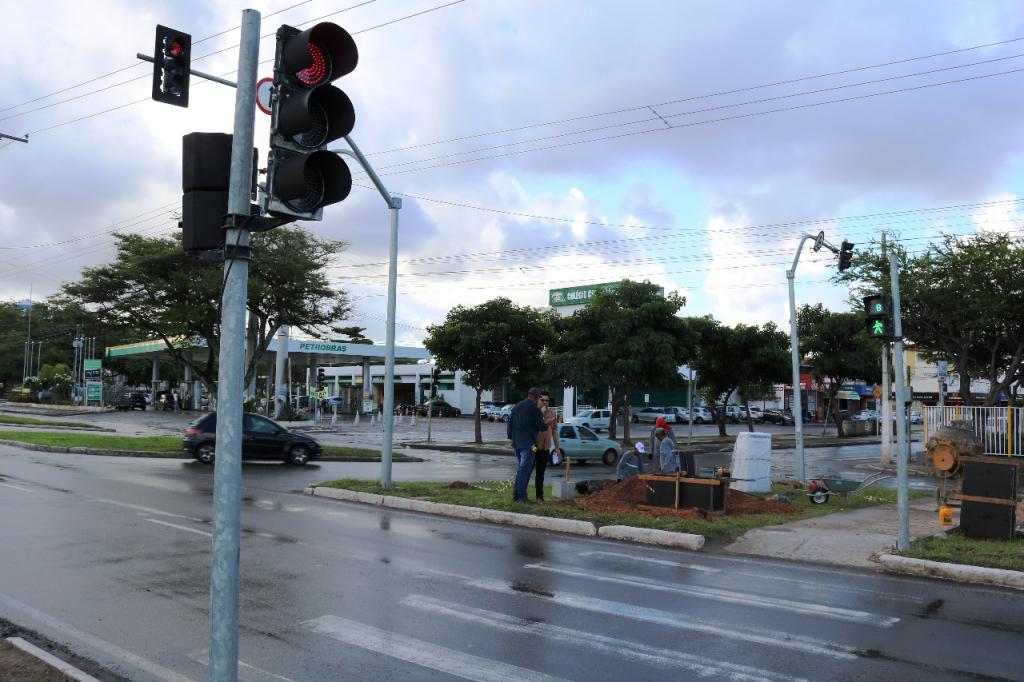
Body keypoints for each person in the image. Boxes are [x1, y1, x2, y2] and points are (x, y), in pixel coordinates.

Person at [507, 387, 552, 503]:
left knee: (521, 470)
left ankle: (516, 495)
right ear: (537, 398)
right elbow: (541, 427)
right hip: (529, 444)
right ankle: (522, 497)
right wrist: (548, 422)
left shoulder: (517, 406)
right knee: (524, 471)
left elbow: (510, 423)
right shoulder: (535, 410)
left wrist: (510, 438)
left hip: (516, 443)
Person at [531, 390, 561, 501]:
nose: (545, 402)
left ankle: (539, 497)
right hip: (533, 447)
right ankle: (521, 495)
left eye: (547, 400)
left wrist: (557, 447)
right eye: (542, 400)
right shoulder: (533, 412)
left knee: (540, 474)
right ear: (538, 400)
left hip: (545, 447)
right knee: (527, 471)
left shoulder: (552, 413)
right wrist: (541, 413)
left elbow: (554, 431)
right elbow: (532, 427)